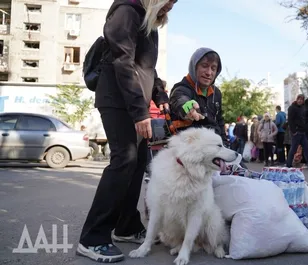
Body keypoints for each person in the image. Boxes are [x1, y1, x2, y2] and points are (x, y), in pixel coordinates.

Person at [76, 0, 176, 262]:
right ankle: (92, 237)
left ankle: (126, 226)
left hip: (135, 103)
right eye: (169, 1)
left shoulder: (149, 24)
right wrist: (140, 112)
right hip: (116, 100)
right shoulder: (126, 12)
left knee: (139, 161)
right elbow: (123, 63)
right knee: (124, 160)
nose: (170, 7)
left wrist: (160, 95)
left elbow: (148, 69)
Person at [169, 47, 227, 143]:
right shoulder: (181, 88)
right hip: (189, 150)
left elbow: (219, 122)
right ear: (194, 66)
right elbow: (179, 99)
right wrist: (187, 107)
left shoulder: (216, 93)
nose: (209, 73)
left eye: (213, 68)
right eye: (204, 66)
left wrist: (225, 144)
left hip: (214, 149)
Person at [286, 94, 308, 170]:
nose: (300, 101)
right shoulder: (292, 108)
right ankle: (288, 165)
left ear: (303, 101)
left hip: (302, 131)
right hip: (296, 131)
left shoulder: (303, 108)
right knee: (293, 148)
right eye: (299, 99)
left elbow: (303, 119)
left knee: (306, 148)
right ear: (297, 99)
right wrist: (294, 131)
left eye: (301, 99)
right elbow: (290, 120)